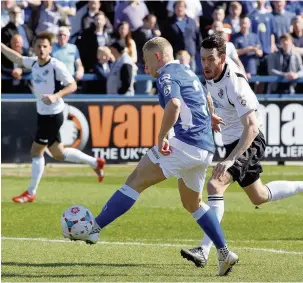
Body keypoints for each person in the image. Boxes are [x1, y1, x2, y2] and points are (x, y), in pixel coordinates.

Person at [66, 36, 239, 276]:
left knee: (135, 180)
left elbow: (175, 105)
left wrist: (161, 137)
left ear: (158, 57)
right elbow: (204, 96)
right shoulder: (186, 70)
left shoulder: (167, 75)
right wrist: (209, 117)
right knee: (193, 203)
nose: (145, 68)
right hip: (205, 148)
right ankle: (224, 252)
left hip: (186, 143)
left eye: (147, 62)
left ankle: (93, 227)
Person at [180, 34, 303, 268]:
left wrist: (230, 160)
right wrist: (211, 113)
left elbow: (252, 127)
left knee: (215, 184)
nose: (205, 64)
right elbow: (226, 60)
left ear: (222, 58)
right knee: (259, 195)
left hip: (250, 140)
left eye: (210, 60)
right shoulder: (215, 67)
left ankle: (206, 250)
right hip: (230, 141)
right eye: (202, 59)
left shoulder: (235, 83)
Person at [1, 32, 106, 203]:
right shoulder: (34, 63)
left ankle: (31, 192)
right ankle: (96, 162)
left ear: (50, 48)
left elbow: (72, 85)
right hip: (44, 114)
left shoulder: (56, 65)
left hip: (53, 114)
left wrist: (56, 96)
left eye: (45, 46)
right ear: (34, 48)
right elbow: (18, 58)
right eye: (39, 46)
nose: (41, 49)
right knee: (58, 153)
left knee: (36, 151)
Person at [161, 0, 201, 72]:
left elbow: (198, 37)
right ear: (174, 9)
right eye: (177, 7)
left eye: (182, 7)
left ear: (185, 8)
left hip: (190, 56)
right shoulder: (169, 23)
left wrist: (199, 51)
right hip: (175, 56)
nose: (180, 9)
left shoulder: (192, 21)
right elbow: (164, 40)